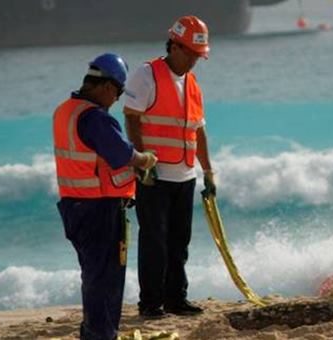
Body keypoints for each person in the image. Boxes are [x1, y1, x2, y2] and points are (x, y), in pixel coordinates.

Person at [53, 53, 158, 339]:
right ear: (108, 87)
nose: (117, 100)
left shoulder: (66, 111)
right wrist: (145, 160)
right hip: (99, 209)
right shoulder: (95, 118)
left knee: (93, 273)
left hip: (75, 206)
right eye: (119, 92)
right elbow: (121, 154)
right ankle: (101, 334)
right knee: (106, 278)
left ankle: (93, 332)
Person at [123, 15, 216, 317]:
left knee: (179, 242)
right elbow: (131, 117)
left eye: (198, 57)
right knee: (154, 241)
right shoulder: (147, 74)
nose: (194, 62)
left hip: (185, 174)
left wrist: (208, 170)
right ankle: (150, 303)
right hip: (155, 175)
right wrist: (141, 160)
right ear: (175, 46)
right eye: (191, 54)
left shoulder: (192, 84)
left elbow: (198, 130)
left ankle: (176, 298)